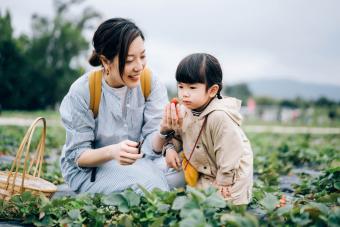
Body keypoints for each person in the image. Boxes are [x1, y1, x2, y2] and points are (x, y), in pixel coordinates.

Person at [59, 18, 184, 195]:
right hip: (90, 170)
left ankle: (150, 181)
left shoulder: (150, 82)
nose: (139, 66)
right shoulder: (82, 92)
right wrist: (112, 152)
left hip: (141, 161)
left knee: (189, 171)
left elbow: (150, 148)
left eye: (142, 56)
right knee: (152, 185)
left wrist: (163, 131)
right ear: (105, 61)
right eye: (129, 60)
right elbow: (77, 155)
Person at [161, 53, 253, 205]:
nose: (184, 93)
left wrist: (224, 180)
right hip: (207, 172)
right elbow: (177, 137)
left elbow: (231, 152)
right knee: (198, 203)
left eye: (192, 87)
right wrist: (170, 148)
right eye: (181, 86)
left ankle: (229, 193)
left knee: (225, 204)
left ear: (212, 90)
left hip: (231, 174)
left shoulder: (220, 116)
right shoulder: (185, 111)